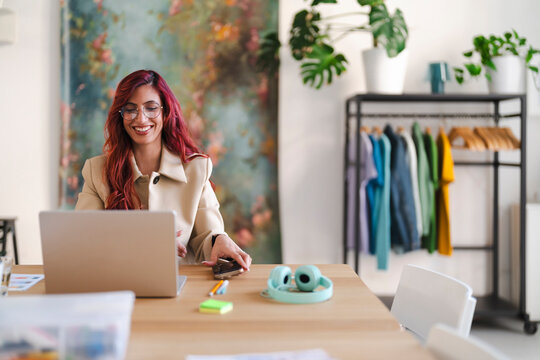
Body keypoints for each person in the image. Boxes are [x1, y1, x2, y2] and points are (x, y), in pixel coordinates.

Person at [75, 69, 251, 271]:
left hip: (178, 289)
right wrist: (143, 240)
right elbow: (84, 239)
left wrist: (219, 240)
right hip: (117, 283)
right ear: (120, 116)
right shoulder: (96, 170)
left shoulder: (196, 168)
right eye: (130, 109)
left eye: (151, 108)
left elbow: (208, 235)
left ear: (166, 112)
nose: (141, 119)